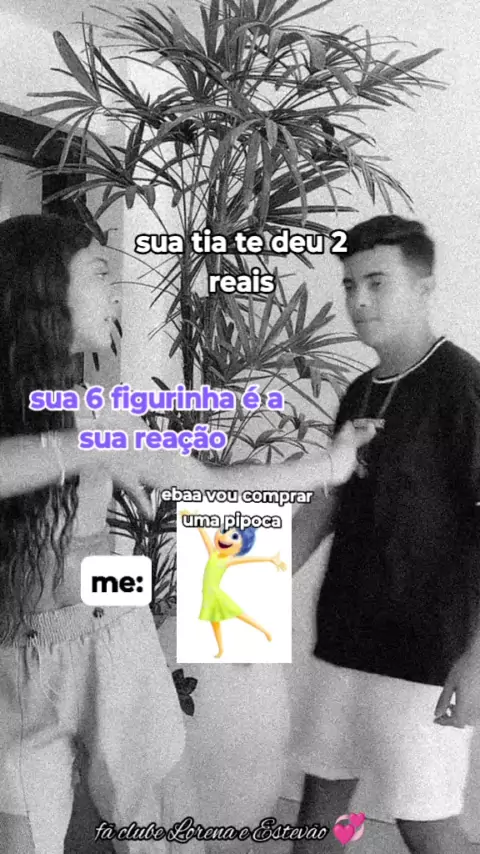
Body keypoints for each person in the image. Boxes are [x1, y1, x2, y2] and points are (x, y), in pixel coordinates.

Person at [0, 214, 374, 854]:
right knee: (22, 836)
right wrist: (89, 447)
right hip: (13, 652)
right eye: (98, 272)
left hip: (110, 634)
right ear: (44, 290)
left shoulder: (103, 409)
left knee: (156, 832)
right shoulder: (84, 424)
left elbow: (210, 484)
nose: (116, 291)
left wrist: (331, 465)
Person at [291, 215, 480, 854]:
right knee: (318, 816)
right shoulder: (359, 393)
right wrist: (237, 595)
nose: (359, 300)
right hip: (344, 641)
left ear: (424, 286)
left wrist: (478, 660)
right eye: (350, 285)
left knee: (423, 823)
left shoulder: (463, 388)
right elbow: (328, 505)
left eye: (377, 282)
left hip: (425, 654)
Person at [181, 515, 287, 657]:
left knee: (239, 614)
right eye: (224, 530)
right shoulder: (213, 554)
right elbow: (204, 535)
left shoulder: (227, 560)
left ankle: (264, 631)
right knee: (215, 622)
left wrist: (269, 559)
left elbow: (249, 560)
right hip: (207, 595)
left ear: (241, 548)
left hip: (216, 595)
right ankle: (221, 650)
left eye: (234, 536)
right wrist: (195, 520)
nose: (224, 537)